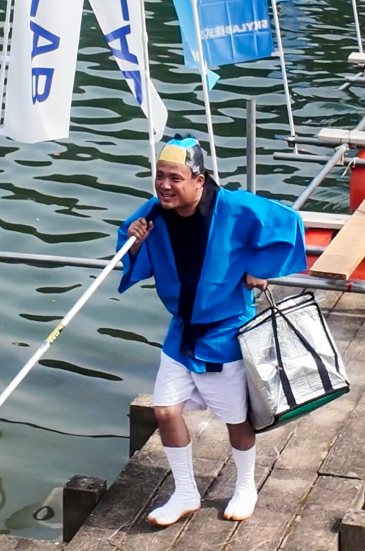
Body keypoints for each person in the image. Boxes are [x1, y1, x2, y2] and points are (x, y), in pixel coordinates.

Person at [117, 137, 307, 526]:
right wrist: (136, 244)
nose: (165, 186)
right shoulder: (154, 213)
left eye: (175, 178)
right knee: (165, 411)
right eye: (159, 177)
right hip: (181, 330)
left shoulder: (233, 206)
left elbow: (289, 224)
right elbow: (130, 248)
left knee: (236, 421)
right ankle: (185, 492)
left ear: (199, 180)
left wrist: (260, 267)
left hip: (225, 333)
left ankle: (246, 486)